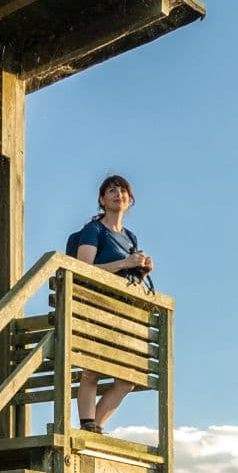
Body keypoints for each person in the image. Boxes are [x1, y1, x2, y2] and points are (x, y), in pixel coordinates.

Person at [65, 174, 153, 432]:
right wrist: (125, 262)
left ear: (130, 200)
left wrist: (141, 270)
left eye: (123, 191)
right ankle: (87, 423)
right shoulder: (94, 230)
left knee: (127, 379)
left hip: (123, 313)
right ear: (102, 200)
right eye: (112, 190)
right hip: (95, 307)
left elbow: (125, 277)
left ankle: (94, 427)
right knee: (92, 368)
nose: (118, 195)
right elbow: (83, 268)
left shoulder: (130, 237)